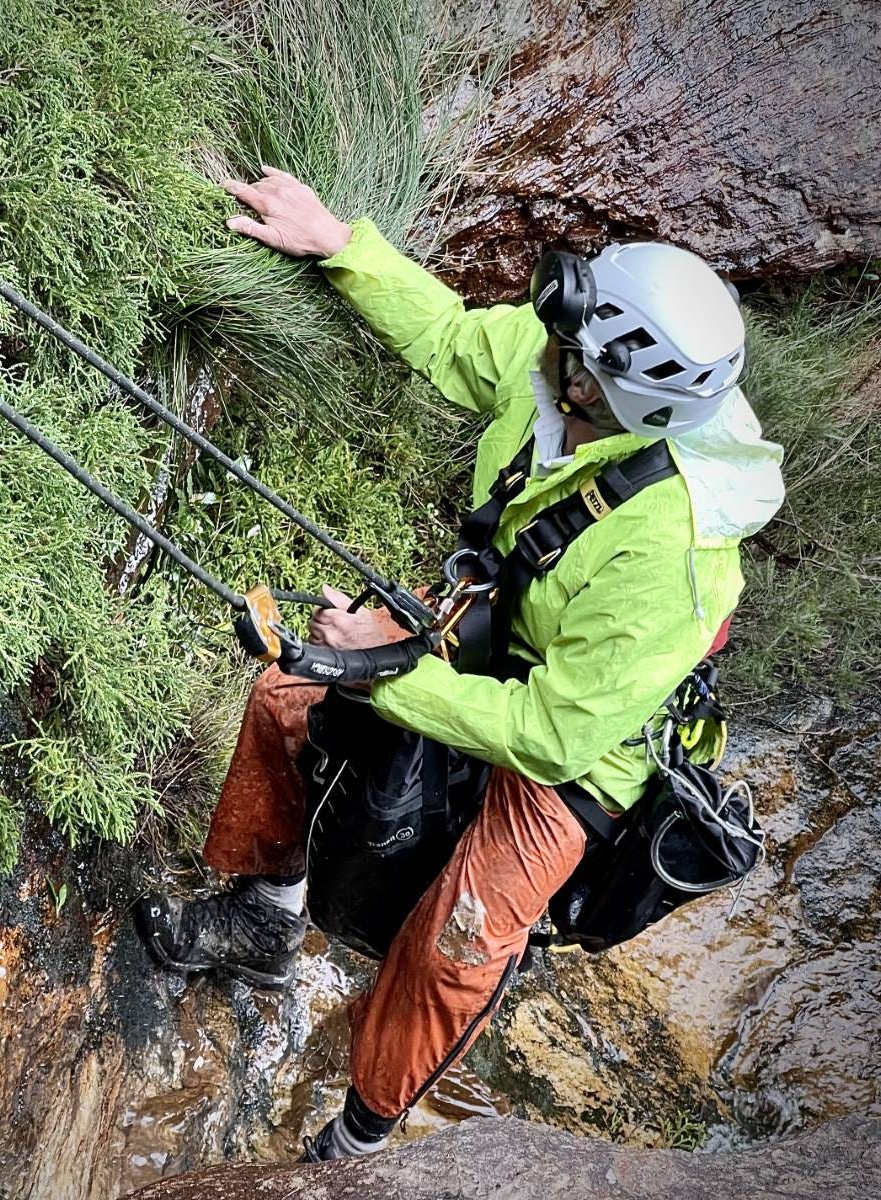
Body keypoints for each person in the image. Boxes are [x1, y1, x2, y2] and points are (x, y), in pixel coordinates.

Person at [136, 168, 785, 1161]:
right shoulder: (561, 361)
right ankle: (267, 921)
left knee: (463, 931)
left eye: (575, 370)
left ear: (620, 399)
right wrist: (338, 243)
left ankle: (360, 1134)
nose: (550, 365)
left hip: (581, 746)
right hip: (485, 640)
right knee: (285, 699)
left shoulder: (676, 554)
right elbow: (449, 339)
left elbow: (555, 732)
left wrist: (388, 671)